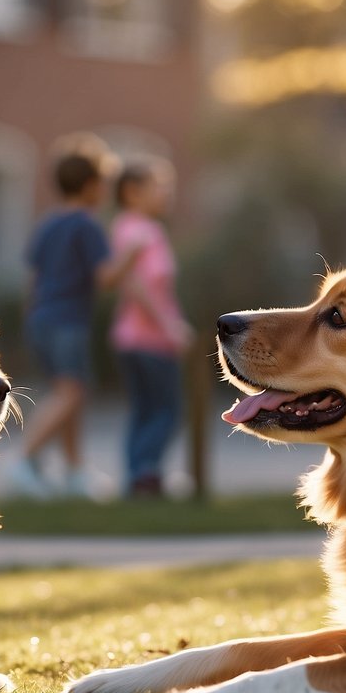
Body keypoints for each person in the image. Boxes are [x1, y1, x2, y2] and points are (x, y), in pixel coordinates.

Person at [13, 134, 138, 499]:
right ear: (89, 185)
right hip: (68, 320)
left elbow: (33, 277)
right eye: (102, 183)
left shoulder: (49, 223)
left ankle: (74, 471)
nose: (104, 191)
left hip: (41, 319)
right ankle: (23, 460)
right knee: (72, 393)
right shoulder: (87, 225)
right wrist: (131, 255)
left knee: (70, 393)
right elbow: (106, 279)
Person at [109, 159, 192, 498]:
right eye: (158, 185)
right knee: (167, 410)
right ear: (132, 192)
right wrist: (170, 326)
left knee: (145, 411)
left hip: (135, 339)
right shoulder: (140, 230)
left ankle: (139, 476)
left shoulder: (135, 228)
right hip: (147, 339)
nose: (166, 192)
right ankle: (145, 474)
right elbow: (135, 286)